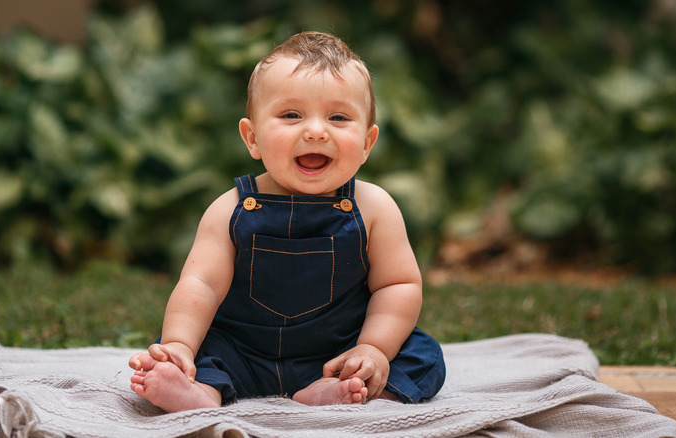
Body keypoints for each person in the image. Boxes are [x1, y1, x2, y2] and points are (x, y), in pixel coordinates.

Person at [128, 30, 446, 412]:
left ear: (366, 143)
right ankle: (201, 393)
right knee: (201, 344)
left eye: (339, 117)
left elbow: (398, 284)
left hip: (338, 353)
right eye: (291, 115)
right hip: (243, 352)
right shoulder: (231, 208)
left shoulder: (374, 207)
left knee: (422, 353)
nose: (315, 130)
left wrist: (373, 348)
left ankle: (335, 391)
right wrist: (180, 344)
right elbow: (201, 285)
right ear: (253, 138)